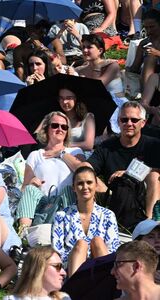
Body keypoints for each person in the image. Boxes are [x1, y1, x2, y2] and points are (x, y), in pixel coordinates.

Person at [81, 101, 160, 229]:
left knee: (154, 176)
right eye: (124, 119)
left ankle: (149, 225)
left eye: (134, 120)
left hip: (144, 198)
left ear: (143, 123)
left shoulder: (154, 145)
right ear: (118, 122)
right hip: (114, 198)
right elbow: (87, 166)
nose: (129, 123)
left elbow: (156, 172)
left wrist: (128, 174)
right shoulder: (107, 146)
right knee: (85, 174)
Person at [17, 112, 85, 227]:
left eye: (64, 127)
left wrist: (61, 153)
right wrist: (32, 182)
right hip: (42, 202)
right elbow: (24, 188)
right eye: (55, 125)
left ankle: (69, 228)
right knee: (29, 190)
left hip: (64, 201)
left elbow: (83, 171)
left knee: (68, 190)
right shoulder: (35, 155)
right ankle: (24, 232)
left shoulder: (75, 152)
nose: (60, 129)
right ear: (47, 128)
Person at [51, 166, 120, 275]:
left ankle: (104, 287)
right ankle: (74, 287)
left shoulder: (108, 215)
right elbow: (57, 252)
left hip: (101, 269)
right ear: (73, 188)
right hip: (71, 269)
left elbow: (113, 250)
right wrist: (79, 253)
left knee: (97, 241)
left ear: (96, 185)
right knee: (81, 244)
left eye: (89, 182)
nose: (85, 187)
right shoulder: (61, 216)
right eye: (80, 183)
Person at [4, 246, 70, 300]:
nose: (64, 273)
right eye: (57, 266)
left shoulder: (64, 298)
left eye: (63, 267)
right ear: (38, 268)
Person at [57, 87, 96, 152]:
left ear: (76, 98)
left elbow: (88, 145)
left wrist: (64, 145)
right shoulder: (56, 117)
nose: (64, 102)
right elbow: (42, 139)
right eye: (61, 98)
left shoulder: (88, 117)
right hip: (58, 155)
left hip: (80, 156)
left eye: (69, 98)